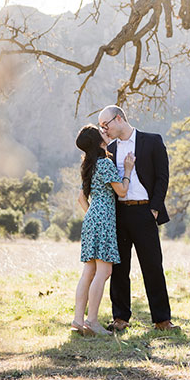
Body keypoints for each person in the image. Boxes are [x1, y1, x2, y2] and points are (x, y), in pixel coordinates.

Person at [98, 105, 178, 332]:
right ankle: (120, 318)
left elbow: (163, 177)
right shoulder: (109, 149)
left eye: (106, 125)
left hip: (144, 212)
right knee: (119, 267)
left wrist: (154, 209)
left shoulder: (152, 141)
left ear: (119, 118)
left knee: (153, 266)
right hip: (119, 214)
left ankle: (162, 320)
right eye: (101, 127)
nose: (104, 130)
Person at [72, 124, 135, 337]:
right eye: (101, 133)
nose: (105, 133)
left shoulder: (88, 165)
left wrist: (93, 214)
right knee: (104, 271)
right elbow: (123, 191)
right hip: (104, 218)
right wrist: (127, 170)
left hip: (91, 217)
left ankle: (78, 320)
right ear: (97, 141)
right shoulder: (105, 163)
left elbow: (81, 198)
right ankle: (92, 321)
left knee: (88, 271)